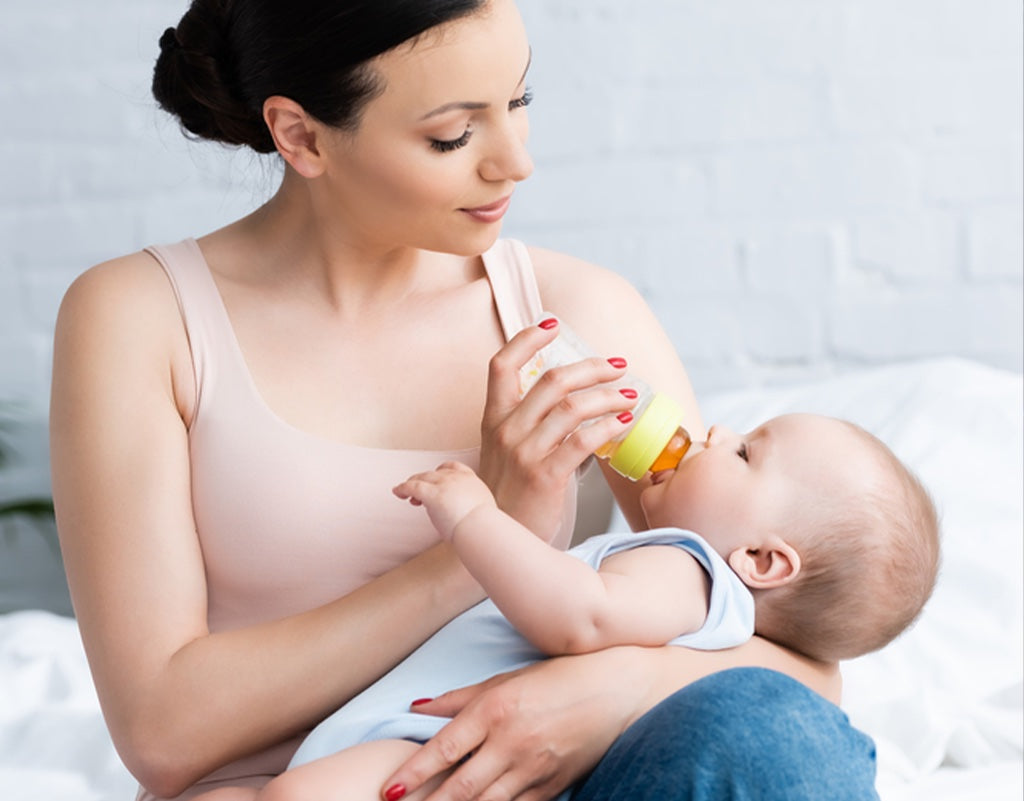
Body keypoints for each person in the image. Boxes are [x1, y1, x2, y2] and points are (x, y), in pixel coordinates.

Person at [48, 1, 882, 800]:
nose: (515, 161)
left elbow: (798, 657)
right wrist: (488, 537)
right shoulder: (142, 317)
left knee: (774, 735)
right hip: (288, 785)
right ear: (299, 135)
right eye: (452, 134)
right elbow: (163, 734)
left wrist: (612, 687)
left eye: (518, 101)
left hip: (558, 772)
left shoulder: (571, 316)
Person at [254, 413, 939, 800]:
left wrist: (477, 517)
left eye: (743, 450)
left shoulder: (693, 571)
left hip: (429, 749)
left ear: (761, 561)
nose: (716, 430)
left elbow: (576, 615)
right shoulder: (703, 598)